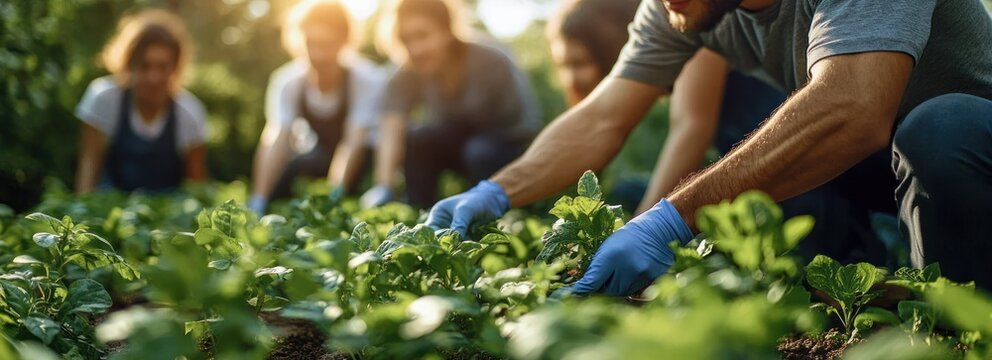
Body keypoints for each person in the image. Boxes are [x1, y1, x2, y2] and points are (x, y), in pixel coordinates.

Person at [429, 0, 992, 293]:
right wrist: (495, 191)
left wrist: (668, 220)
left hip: (969, 151)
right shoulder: (680, 7)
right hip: (891, 163)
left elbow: (854, 106)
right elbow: (602, 117)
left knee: (937, 127)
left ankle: (952, 320)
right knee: (783, 153)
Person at [545, 0, 895, 264]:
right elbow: (598, 123)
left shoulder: (700, 18)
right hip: (749, 159)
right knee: (629, 191)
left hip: (794, 151)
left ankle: (851, 252)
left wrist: (646, 227)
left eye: (578, 62)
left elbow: (691, 129)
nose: (571, 76)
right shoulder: (665, 24)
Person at [359, 0, 541, 210]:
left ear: (446, 31)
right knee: (418, 138)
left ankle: (486, 215)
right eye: (405, 39)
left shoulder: (491, 61)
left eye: (422, 35)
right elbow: (391, 125)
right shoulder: (408, 70)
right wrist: (384, 186)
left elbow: (521, 129)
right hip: (459, 144)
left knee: (478, 151)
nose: (414, 48)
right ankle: (419, 213)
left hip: (505, 143)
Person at [248, 0, 388, 213]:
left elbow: (353, 142)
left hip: (364, 161)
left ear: (344, 41)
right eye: (311, 43)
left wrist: (332, 198)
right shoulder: (287, 82)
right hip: (322, 157)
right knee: (295, 166)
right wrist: (259, 199)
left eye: (326, 44)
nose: (318, 54)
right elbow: (277, 139)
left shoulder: (366, 79)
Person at [75, 9, 207, 193]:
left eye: (162, 66)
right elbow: (88, 169)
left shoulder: (189, 113)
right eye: (145, 66)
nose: (154, 77)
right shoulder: (103, 99)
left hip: (166, 215)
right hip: (109, 210)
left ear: (175, 67)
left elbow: (195, 187)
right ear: (130, 64)